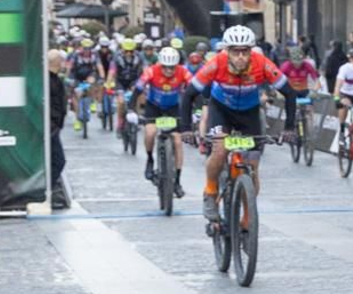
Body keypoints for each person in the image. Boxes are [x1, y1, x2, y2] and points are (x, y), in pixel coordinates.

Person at [186, 25, 287, 224]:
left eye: (245, 51)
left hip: (249, 114)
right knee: (220, 150)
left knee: (252, 167)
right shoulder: (216, 63)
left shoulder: (262, 63)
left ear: (251, 51)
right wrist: (184, 129)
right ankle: (210, 190)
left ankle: (248, 216)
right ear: (227, 51)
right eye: (235, 51)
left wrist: (291, 128)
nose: (240, 56)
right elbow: (189, 94)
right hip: (221, 110)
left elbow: (290, 93)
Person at [135, 46, 190, 196]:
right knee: (150, 132)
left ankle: (177, 181)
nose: (169, 71)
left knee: (178, 141)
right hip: (154, 107)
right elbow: (139, 87)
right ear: (161, 65)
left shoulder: (183, 71)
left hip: (173, 108)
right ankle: (150, 160)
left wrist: (197, 108)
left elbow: (193, 88)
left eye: (172, 68)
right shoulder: (151, 70)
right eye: (165, 68)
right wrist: (130, 109)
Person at [278, 47, 321, 144]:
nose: (298, 64)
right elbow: (277, 79)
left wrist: (316, 89)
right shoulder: (286, 66)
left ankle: (310, 127)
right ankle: (290, 129)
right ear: (290, 60)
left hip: (303, 90)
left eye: (300, 62)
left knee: (309, 107)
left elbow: (316, 79)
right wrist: (279, 93)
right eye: (295, 62)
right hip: (291, 91)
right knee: (291, 109)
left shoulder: (307, 65)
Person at [46, 50, 69, 209]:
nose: (63, 64)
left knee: (56, 160)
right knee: (58, 160)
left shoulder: (56, 79)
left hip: (55, 126)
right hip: (50, 127)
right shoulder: (47, 80)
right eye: (61, 61)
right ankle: (48, 189)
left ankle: (49, 188)